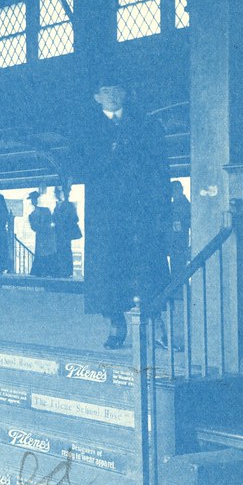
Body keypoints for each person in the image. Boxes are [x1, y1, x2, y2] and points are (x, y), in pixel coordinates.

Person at [76, 80, 171, 349]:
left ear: (126, 94)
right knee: (109, 270)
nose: (113, 96)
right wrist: (112, 153)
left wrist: (159, 206)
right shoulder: (87, 129)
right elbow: (80, 165)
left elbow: (159, 166)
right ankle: (116, 325)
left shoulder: (144, 125)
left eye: (117, 90)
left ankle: (157, 325)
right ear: (96, 97)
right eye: (106, 91)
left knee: (147, 266)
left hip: (140, 211)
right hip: (106, 214)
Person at [52, 183, 82, 278]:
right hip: (59, 232)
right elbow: (54, 218)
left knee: (65, 251)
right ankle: (61, 271)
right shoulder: (58, 206)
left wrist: (63, 220)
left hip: (65, 232)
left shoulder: (69, 205)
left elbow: (75, 218)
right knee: (60, 250)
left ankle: (66, 272)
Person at [27, 191, 58, 277]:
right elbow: (34, 227)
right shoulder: (32, 215)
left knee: (49, 252)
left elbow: (50, 220)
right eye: (33, 200)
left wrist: (44, 226)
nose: (34, 201)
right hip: (41, 236)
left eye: (35, 199)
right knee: (41, 253)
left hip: (48, 235)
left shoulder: (45, 210)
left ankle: (51, 271)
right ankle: (41, 272)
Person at [169, 180, 192, 274]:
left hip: (181, 245)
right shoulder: (172, 206)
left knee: (180, 272)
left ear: (181, 190)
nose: (174, 193)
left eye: (177, 189)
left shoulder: (186, 206)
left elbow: (191, 226)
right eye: (173, 190)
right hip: (173, 245)